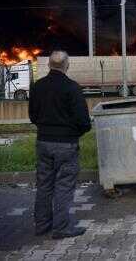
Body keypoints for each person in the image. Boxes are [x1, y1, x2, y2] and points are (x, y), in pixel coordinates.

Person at [28, 50, 92, 239]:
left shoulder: (37, 86)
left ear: (48, 65)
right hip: (66, 145)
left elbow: (33, 116)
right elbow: (83, 122)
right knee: (64, 186)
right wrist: (72, 134)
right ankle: (61, 227)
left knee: (44, 184)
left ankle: (41, 225)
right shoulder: (72, 88)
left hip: (43, 142)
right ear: (67, 66)